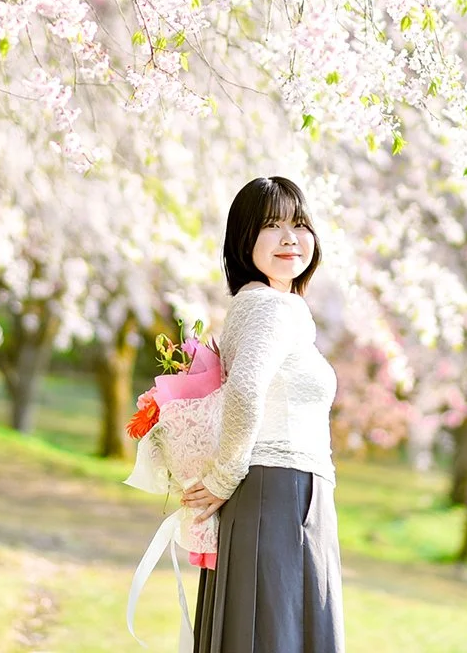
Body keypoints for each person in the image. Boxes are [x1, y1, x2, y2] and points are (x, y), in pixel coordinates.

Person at [182, 176, 345, 652]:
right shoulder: (269, 307)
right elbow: (246, 387)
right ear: (244, 239)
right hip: (278, 493)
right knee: (274, 634)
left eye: (299, 223)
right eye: (272, 225)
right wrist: (223, 475)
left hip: (286, 494)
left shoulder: (273, 306)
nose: (290, 237)